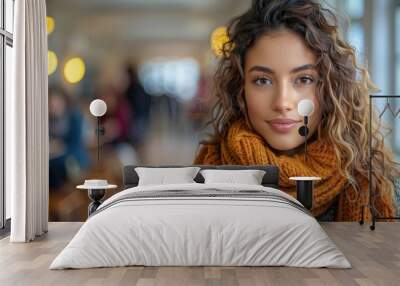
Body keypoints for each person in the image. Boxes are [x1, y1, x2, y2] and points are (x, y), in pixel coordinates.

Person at [193, 0, 399, 221]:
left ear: (331, 87)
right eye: (262, 80)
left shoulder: (382, 186)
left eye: (304, 79)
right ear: (240, 89)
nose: (282, 102)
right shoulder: (204, 182)